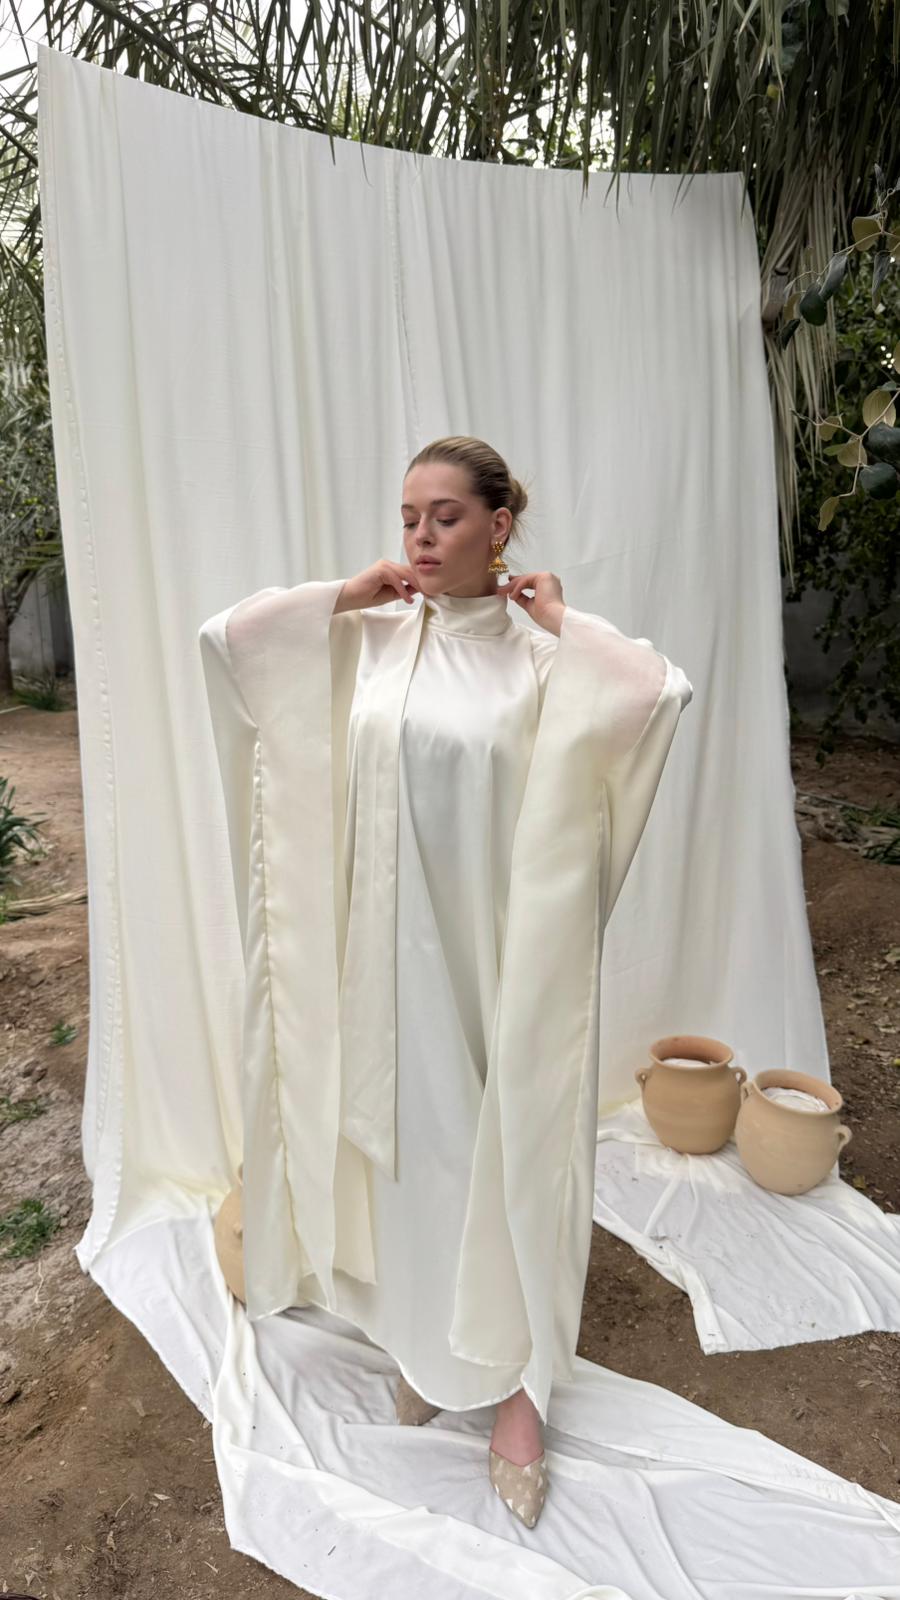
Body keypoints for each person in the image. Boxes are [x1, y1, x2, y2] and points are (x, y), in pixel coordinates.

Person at [197, 435, 693, 1532]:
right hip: (384, 960)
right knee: (414, 1157)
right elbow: (232, 642)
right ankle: (430, 1342)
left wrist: (564, 623)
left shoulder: (539, 660)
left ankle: (519, 1391)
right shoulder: (377, 640)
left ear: (499, 525)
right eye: (409, 517)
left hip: (496, 962)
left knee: (501, 1151)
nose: (421, 537)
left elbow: (658, 693)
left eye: (447, 517)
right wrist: (343, 595)